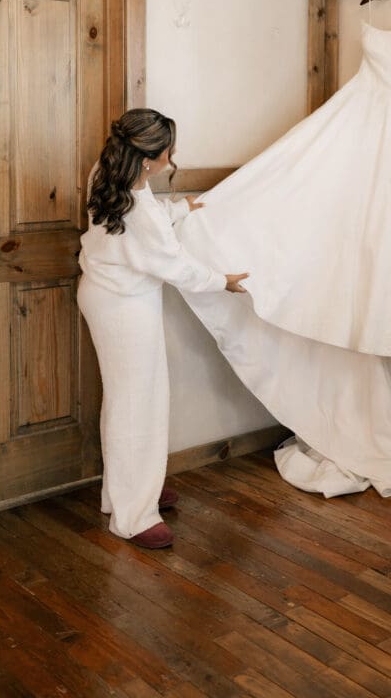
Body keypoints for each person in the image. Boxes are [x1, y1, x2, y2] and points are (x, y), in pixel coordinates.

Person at [77, 108, 248, 550]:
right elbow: (174, 264)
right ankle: (134, 516)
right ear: (147, 159)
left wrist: (179, 209)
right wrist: (222, 281)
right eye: (167, 153)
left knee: (129, 400)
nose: (171, 161)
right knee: (139, 404)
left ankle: (130, 493)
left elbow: (141, 222)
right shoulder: (137, 206)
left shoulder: (109, 172)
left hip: (107, 294)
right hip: (125, 307)